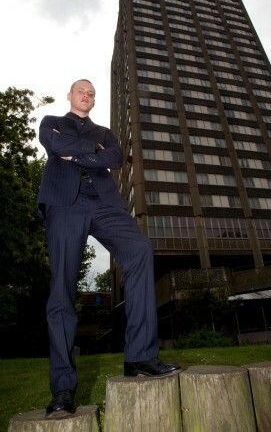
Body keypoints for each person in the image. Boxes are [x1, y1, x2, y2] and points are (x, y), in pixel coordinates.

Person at [37, 79, 180, 418]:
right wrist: (92, 154)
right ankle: (63, 390)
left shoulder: (105, 131)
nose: (86, 96)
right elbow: (52, 143)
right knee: (62, 289)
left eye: (91, 93)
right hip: (64, 203)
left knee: (140, 249)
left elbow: (115, 158)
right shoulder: (51, 122)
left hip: (104, 203)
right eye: (80, 91)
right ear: (70, 96)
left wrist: (77, 151)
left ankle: (141, 358)